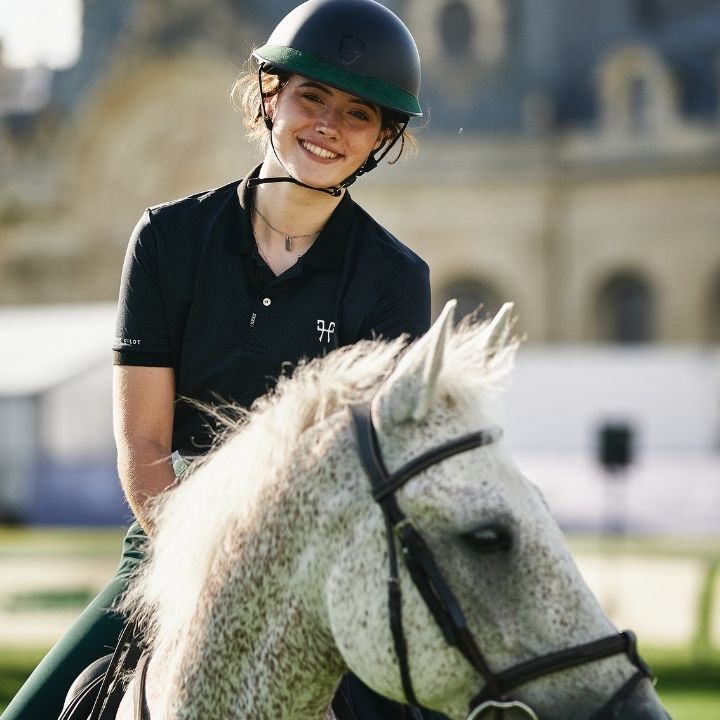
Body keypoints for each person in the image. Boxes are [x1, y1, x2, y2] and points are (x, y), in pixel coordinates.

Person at [1, 1, 439, 719]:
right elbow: (143, 441)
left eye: (359, 114)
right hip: (170, 552)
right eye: (313, 96)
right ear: (271, 94)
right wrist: (208, 567)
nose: (328, 126)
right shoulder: (168, 240)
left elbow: (375, 470)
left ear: (382, 139)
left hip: (325, 576)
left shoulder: (395, 279)